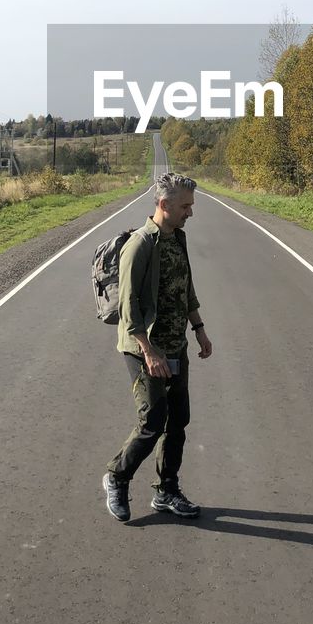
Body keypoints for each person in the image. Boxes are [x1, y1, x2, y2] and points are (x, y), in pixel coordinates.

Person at [102, 172, 212, 523]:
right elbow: (128, 308)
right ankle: (117, 477)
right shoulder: (140, 245)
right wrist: (149, 352)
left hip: (175, 346)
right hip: (143, 349)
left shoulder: (178, 239)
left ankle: (167, 491)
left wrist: (199, 329)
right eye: (185, 206)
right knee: (153, 421)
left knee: (179, 420)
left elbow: (187, 288)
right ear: (164, 205)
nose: (190, 213)